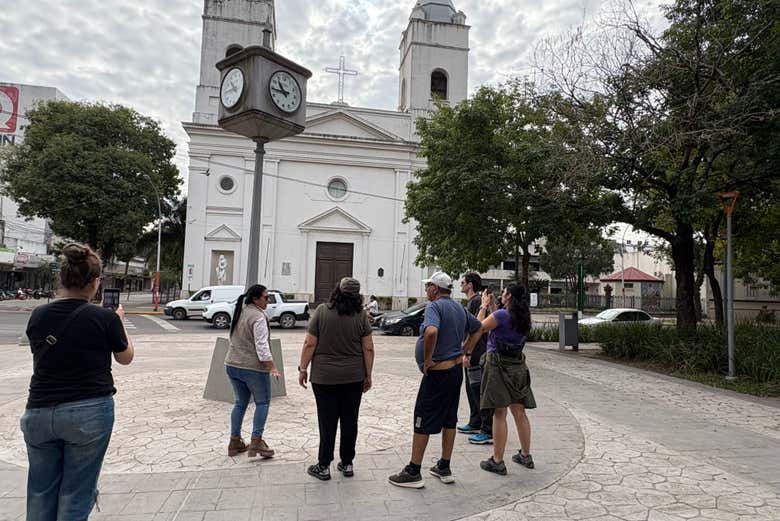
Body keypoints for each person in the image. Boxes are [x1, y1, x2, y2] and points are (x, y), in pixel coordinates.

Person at [21, 243, 135, 521]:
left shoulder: (39, 315)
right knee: (76, 493)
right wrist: (118, 321)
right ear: (96, 283)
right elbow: (125, 357)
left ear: (61, 279)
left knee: (39, 492)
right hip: (89, 411)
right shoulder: (105, 318)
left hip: (39, 410)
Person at [388, 272, 482, 488]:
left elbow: (431, 332)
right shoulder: (459, 307)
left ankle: (413, 470)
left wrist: (428, 359)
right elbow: (478, 328)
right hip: (455, 371)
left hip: (438, 373)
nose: (425, 289)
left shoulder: (434, 307)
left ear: (435, 289)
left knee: (422, 416)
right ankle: (444, 465)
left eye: (428, 285)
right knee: (449, 418)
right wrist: (465, 350)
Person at [299, 278, 375, 481]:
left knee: (327, 422)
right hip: (353, 377)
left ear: (337, 291)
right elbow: (368, 347)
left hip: (324, 378)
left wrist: (302, 368)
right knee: (350, 421)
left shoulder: (322, 311)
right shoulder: (361, 316)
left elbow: (309, 343)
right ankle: (347, 463)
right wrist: (368, 374)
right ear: (357, 295)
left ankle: (323, 466)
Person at [463, 284, 536, 476]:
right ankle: (526, 455)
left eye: (504, 292)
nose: (501, 294)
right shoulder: (523, 317)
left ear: (509, 295)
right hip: (517, 366)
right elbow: (502, 323)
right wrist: (495, 307)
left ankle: (497, 460)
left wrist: (484, 306)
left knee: (499, 413)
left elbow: (478, 326)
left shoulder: (502, 316)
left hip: (497, 366)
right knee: (519, 412)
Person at [224, 284, 280, 459]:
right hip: (253, 368)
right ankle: (256, 441)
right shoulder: (258, 317)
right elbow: (262, 346)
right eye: (266, 297)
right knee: (262, 403)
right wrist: (272, 367)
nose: (268, 300)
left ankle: (235, 441)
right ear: (255, 299)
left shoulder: (241, 311)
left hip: (232, 364)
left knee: (240, 403)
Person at [456, 273, 494, 445]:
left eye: (463, 282)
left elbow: (477, 329)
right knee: (471, 389)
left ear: (470, 285)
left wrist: (468, 353)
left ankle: (486, 428)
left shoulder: (477, 302)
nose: (460, 285)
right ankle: (475, 421)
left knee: (478, 390)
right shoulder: (472, 302)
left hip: (476, 354)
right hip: (471, 352)